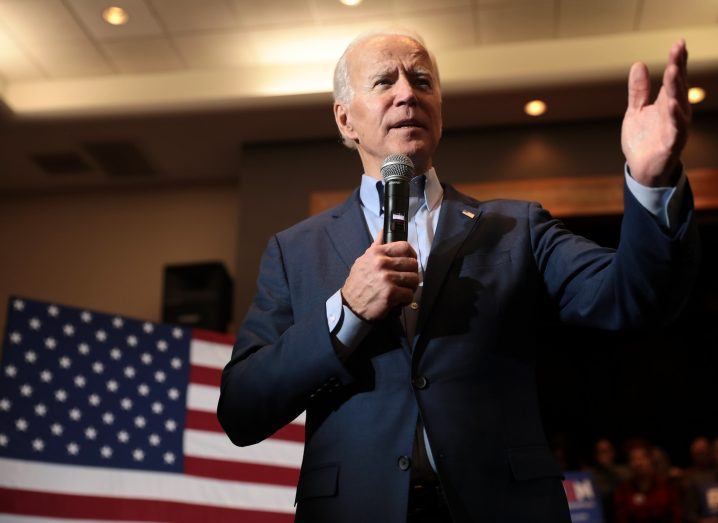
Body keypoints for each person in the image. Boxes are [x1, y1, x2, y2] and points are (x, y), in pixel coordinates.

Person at [217, 30, 700, 522]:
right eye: (384, 81)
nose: (407, 93)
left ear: (439, 109)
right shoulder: (295, 250)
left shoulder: (517, 228)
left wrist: (650, 183)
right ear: (346, 119)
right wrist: (346, 311)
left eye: (422, 80)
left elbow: (633, 298)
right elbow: (242, 409)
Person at [614, 442, 682, 523]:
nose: (638, 463)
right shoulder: (623, 490)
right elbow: (621, 517)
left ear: (651, 460)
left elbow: (676, 515)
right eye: (633, 459)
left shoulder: (666, 486)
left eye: (642, 458)